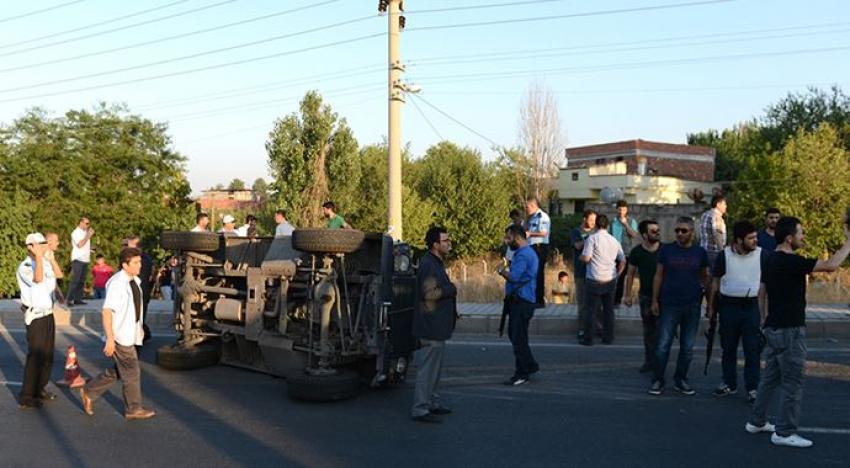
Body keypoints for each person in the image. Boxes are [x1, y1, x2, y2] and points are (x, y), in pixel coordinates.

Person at [746, 217, 850, 448]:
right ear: (789, 238)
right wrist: (848, 244)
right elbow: (831, 265)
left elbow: (761, 292)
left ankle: (757, 421)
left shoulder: (771, 259)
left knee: (771, 378)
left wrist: (764, 320)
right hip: (789, 330)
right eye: (800, 233)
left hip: (774, 327)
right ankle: (784, 433)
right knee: (793, 382)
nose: (803, 237)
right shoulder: (789, 261)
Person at [80, 248, 156, 421]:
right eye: (135, 262)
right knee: (132, 371)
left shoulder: (134, 281)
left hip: (132, 333)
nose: (139, 265)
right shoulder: (117, 283)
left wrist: (140, 328)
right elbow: (107, 312)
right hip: (120, 335)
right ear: (125, 265)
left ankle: (89, 390)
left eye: (140, 262)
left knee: (120, 370)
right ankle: (133, 408)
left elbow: (135, 308)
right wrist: (110, 339)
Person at [707, 221, 768, 403]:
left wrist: (765, 313)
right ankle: (729, 383)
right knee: (728, 348)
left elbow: (768, 284)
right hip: (729, 307)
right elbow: (715, 282)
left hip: (751, 307)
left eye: (755, 237)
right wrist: (710, 307)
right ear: (739, 240)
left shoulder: (762, 255)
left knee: (752, 349)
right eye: (751, 238)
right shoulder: (724, 256)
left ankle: (752, 388)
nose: (755, 241)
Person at [649, 217, 709, 396]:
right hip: (669, 304)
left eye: (684, 231)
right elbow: (658, 275)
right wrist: (654, 300)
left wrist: (710, 303)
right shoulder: (666, 250)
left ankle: (681, 379)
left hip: (692, 304)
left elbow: (705, 277)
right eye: (677, 231)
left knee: (687, 347)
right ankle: (658, 379)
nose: (680, 234)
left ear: (692, 232)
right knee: (662, 345)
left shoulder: (700, 252)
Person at [411, 226, 457, 424]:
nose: (449, 243)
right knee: (428, 369)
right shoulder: (429, 264)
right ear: (435, 245)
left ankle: (431, 402)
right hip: (431, 326)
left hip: (438, 324)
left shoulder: (435, 262)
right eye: (445, 241)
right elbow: (430, 293)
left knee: (435, 368)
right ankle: (420, 408)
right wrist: (451, 289)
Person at [16, 233, 64, 409]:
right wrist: (38, 257)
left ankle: (40, 388)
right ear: (30, 246)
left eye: (44, 243)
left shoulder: (44, 262)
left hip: (48, 313)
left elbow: (58, 275)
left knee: (48, 355)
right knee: (35, 356)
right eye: (41, 244)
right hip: (35, 316)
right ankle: (27, 396)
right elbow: (37, 280)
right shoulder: (26, 265)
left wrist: (50, 259)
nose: (45, 246)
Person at [498, 224, 539, 386]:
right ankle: (530, 365)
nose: (507, 241)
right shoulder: (527, 252)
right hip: (523, 300)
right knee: (517, 335)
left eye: (508, 237)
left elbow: (514, 277)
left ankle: (522, 373)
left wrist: (502, 271)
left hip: (521, 301)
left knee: (518, 338)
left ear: (517, 237)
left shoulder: (522, 255)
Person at [579, 214, 625, 345]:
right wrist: (617, 274)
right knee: (608, 310)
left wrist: (580, 258)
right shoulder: (614, 240)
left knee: (590, 310)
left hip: (593, 279)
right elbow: (622, 260)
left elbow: (587, 258)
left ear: (596, 225)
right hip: (609, 279)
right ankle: (608, 338)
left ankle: (588, 339)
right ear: (607, 225)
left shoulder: (592, 239)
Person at [624, 219, 661, 373]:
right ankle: (649, 361)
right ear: (645, 235)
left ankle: (660, 361)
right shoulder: (637, 252)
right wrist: (627, 295)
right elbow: (630, 273)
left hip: (663, 297)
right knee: (648, 331)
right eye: (653, 231)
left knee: (662, 331)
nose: (657, 233)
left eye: (658, 230)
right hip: (645, 296)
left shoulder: (665, 250)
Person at [570, 209, 597, 341]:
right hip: (581, 272)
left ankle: (596, 327)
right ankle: (582, 329)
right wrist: (590, 238)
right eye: (591, 220)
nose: (593, 223)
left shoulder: (597, 231)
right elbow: (578, 246)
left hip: (595, 273)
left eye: (595, 221)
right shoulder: (576, 232)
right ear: (584, 219)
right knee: (582, 303)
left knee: (595, 303)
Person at [125, 236, 155, 343]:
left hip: (139, 292)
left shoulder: (139, 260)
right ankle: (144, 335)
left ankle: (141, 336)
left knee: (137, 317)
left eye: (130, 246)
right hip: (141, 291)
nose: (127, 249)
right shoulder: (147, 258)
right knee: (138, 317)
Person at [610, 200, 639, 306]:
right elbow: (608, 236)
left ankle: (622, 299)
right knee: (615, 277)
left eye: (623, 209)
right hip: (614, 253)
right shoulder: (612, 221)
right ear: (616, 209)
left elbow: (634, 234)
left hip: (627, 253)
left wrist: (625, 223)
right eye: (619, 209)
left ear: (627, 210)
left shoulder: (631, 221)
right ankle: (613, 300)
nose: (621, 211)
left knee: (625, 277)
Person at [524, 197, 550, 307]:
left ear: (533, 206)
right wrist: (526, 219)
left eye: (527, 207)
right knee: (531, 273)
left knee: (538, 273)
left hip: (539, 247)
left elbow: (544, 233)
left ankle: (539, 300)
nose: (526, 209)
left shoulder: (542, 216)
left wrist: (530, 234)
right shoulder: (531, 217)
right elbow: (525, 229)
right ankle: (531, 298)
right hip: (531, 246)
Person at [68, 217, 94, 306]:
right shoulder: (76, 233)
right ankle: (69, 299)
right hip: (78, 259)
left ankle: (78, 299)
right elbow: (79, 244)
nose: (88, 226)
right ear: (81, 223)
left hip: (85, 259)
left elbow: (84, 245)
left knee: (82, 281)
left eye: (88, 224)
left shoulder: (84, 233)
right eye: (86, 223)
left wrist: (90, 249)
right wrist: (88, 236)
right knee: (75, 280)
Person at [699, 194, 727, 270]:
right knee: (715, 278)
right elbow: (717, 235)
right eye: (724, 204)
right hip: (714, 252)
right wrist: (722, 253)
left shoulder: (705, 214)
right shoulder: (716, 216)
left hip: (703, 251)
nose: (726, 206)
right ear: (718, 204)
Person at [44, 232, 67, 305]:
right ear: (49, 242)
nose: (58, 243)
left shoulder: (50, 254)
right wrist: (52, 261)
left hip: (49, 298)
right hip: (43, 300)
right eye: (56, 241)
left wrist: (58, 291)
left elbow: (51, 276)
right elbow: (59, 275)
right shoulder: (44, 257)